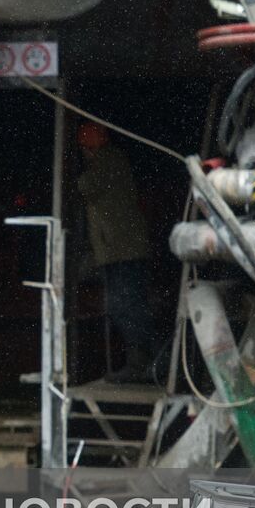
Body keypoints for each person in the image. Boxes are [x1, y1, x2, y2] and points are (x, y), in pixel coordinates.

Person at [75, 121, 160, 382]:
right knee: (126, 305)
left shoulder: (107, 162)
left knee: (125, 306)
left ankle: (146, 364)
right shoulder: (109, 161)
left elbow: (84, 187)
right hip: (118, 250)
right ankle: (149, 363)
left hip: (123, 251)